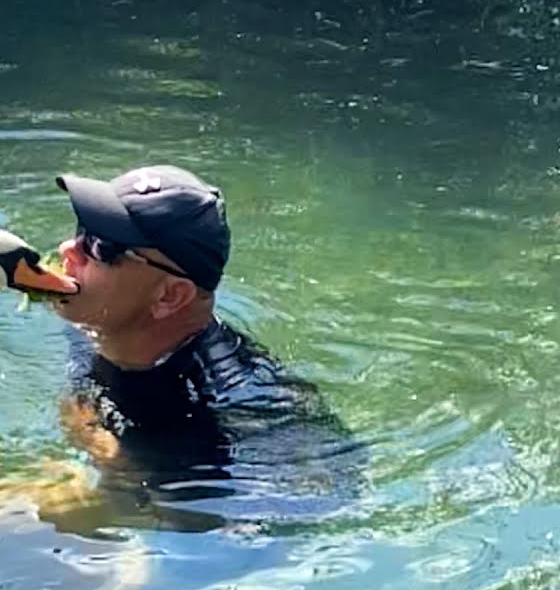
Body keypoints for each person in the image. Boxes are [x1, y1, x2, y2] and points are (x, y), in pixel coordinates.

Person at [44, 164, 366, 532]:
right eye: (82, 231)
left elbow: (295, 516)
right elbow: (83, 399)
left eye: (101, 246)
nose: (68, 249)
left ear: (169, 296)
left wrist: (124, 498)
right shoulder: (99, 322)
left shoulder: (230, 413)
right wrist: (102, 449)